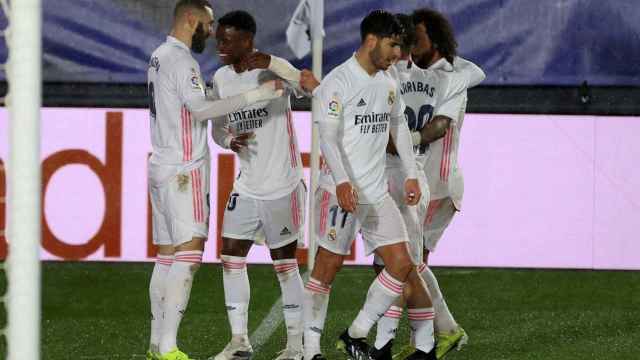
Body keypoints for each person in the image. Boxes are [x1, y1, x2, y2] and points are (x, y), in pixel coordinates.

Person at [146, 2, 284, 360]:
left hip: (160, 164)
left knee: (166, 257)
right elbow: (202, 111)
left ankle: (154, 344)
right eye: (207, 25)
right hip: (183, 169)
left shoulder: (158, 56)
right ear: (191, 19)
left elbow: (189, 106)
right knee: (189, 257)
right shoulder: (181, 61)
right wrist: (257, 95)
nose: (211, 33)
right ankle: (168, 348)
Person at [303, 9, 439, 360]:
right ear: (371, 40)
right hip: (339, 191)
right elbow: (328, 139)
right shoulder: (337, 83)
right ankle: (309, 350)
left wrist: (410, 172)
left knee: (401, 263)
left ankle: (355, 333)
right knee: (326, 268)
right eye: (394, 45)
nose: (398, 55)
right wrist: (344, 182)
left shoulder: (389, 81)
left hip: (376, 192)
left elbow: (399, 130)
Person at [371, 11, 485, 360]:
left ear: (434, 39)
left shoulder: (455, 78)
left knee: (400, 264)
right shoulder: (407, 72)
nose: (409, 44)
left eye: (415, 38)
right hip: (417, 182)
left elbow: (438, 128)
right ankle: (437, 334)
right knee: (405, 264)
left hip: (438, 183)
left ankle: (427, 336)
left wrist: (403, 141)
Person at [207, 10, 314, 360]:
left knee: (284, 264)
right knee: (229, 256)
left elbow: (306, 86)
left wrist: (273, 62)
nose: (220, 44)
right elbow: (218, 128)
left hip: (283, 184)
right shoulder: (221, 79)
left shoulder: (271, 68)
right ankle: (239, 342)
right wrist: (228, 142)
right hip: (247, 185)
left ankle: (296, 345)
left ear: (247, 41)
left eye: (227, 39)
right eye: (218, 38)